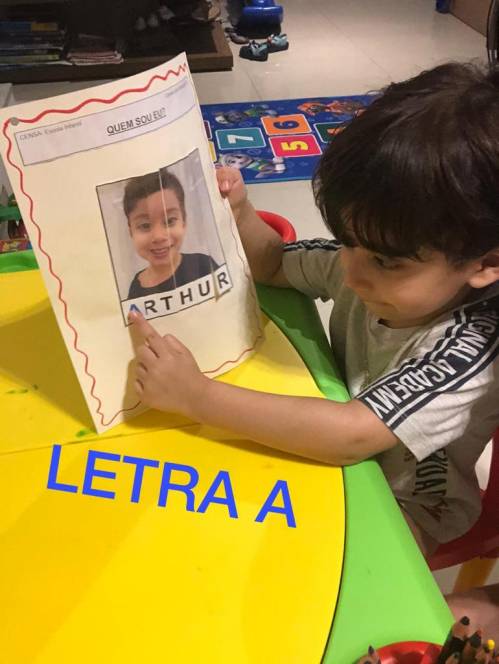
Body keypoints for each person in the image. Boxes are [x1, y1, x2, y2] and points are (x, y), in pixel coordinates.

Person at [129, 63, 499, 557]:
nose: (351, 273)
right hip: (332, 446)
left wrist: (197, 396)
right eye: (347, 242)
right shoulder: (366, 262)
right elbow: (274, 265)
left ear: (485, 264)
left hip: (411, 506)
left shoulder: (470, 347)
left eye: (386, 261)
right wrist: (240, 212)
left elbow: (354, 434)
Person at [124, 167, 218, 299]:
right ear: (131, 232)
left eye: (169, 221)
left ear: (184, 221)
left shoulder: (203, 265)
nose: (158, 237)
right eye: (145, 225)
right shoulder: (136, 288)